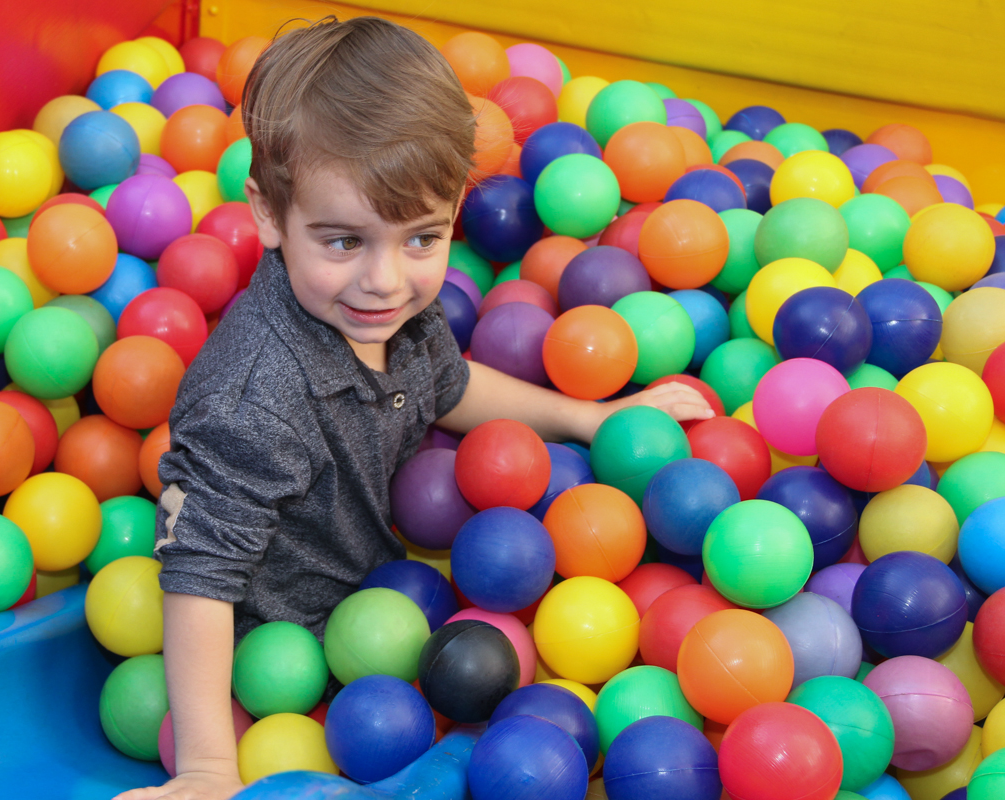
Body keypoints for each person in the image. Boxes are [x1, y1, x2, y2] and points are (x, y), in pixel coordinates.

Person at [116, 16, 713, 800]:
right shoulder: (251, 399)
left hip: (395, 574)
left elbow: (449, 383)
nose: (386, 280)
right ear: (267, 215)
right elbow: (200, 577)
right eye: (342, 242)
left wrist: (588, 419)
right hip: (292, 643)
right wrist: (206, 767)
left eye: (423, 239)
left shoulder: (387, 309)